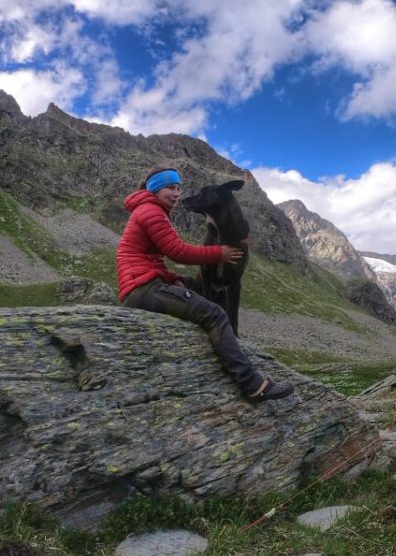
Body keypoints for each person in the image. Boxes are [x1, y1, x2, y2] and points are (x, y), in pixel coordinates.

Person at [116, 166, 294, 402]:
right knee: (215, 314)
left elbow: (151, 260)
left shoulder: (148, 209)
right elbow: (177, 252)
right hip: (144, 290)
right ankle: (253, 385)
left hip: (146, 283)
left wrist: (173, 279)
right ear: (156, 189)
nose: (177, 194)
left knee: (195, 286)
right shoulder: (151, 211)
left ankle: (227, 345)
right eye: (170, 187)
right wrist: (219, 253)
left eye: (178, 188)